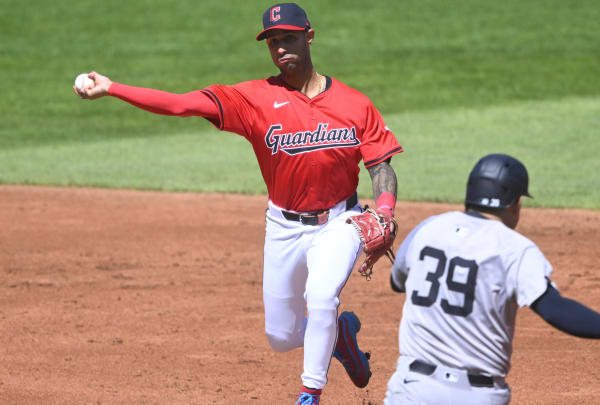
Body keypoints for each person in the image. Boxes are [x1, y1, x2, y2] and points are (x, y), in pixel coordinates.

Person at [74, 3, 403, 404]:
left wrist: (384, 210)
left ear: (309, 36)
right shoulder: (253, 100)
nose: (280, 48)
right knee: (281, 337)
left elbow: (380, 165)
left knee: (321, 297)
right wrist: (112, 87)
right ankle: (341, 337)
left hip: (341, 220)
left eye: (288, 38)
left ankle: (309, 393)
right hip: (283, 226)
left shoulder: (355, 103)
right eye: (272, 41)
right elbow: (181, 104)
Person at [384, 153, 600, 405]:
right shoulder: (515, 248)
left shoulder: (429, 228)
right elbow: (555, 309)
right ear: (515, 203)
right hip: (476, 396)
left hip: (412, 390)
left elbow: (397, 283)